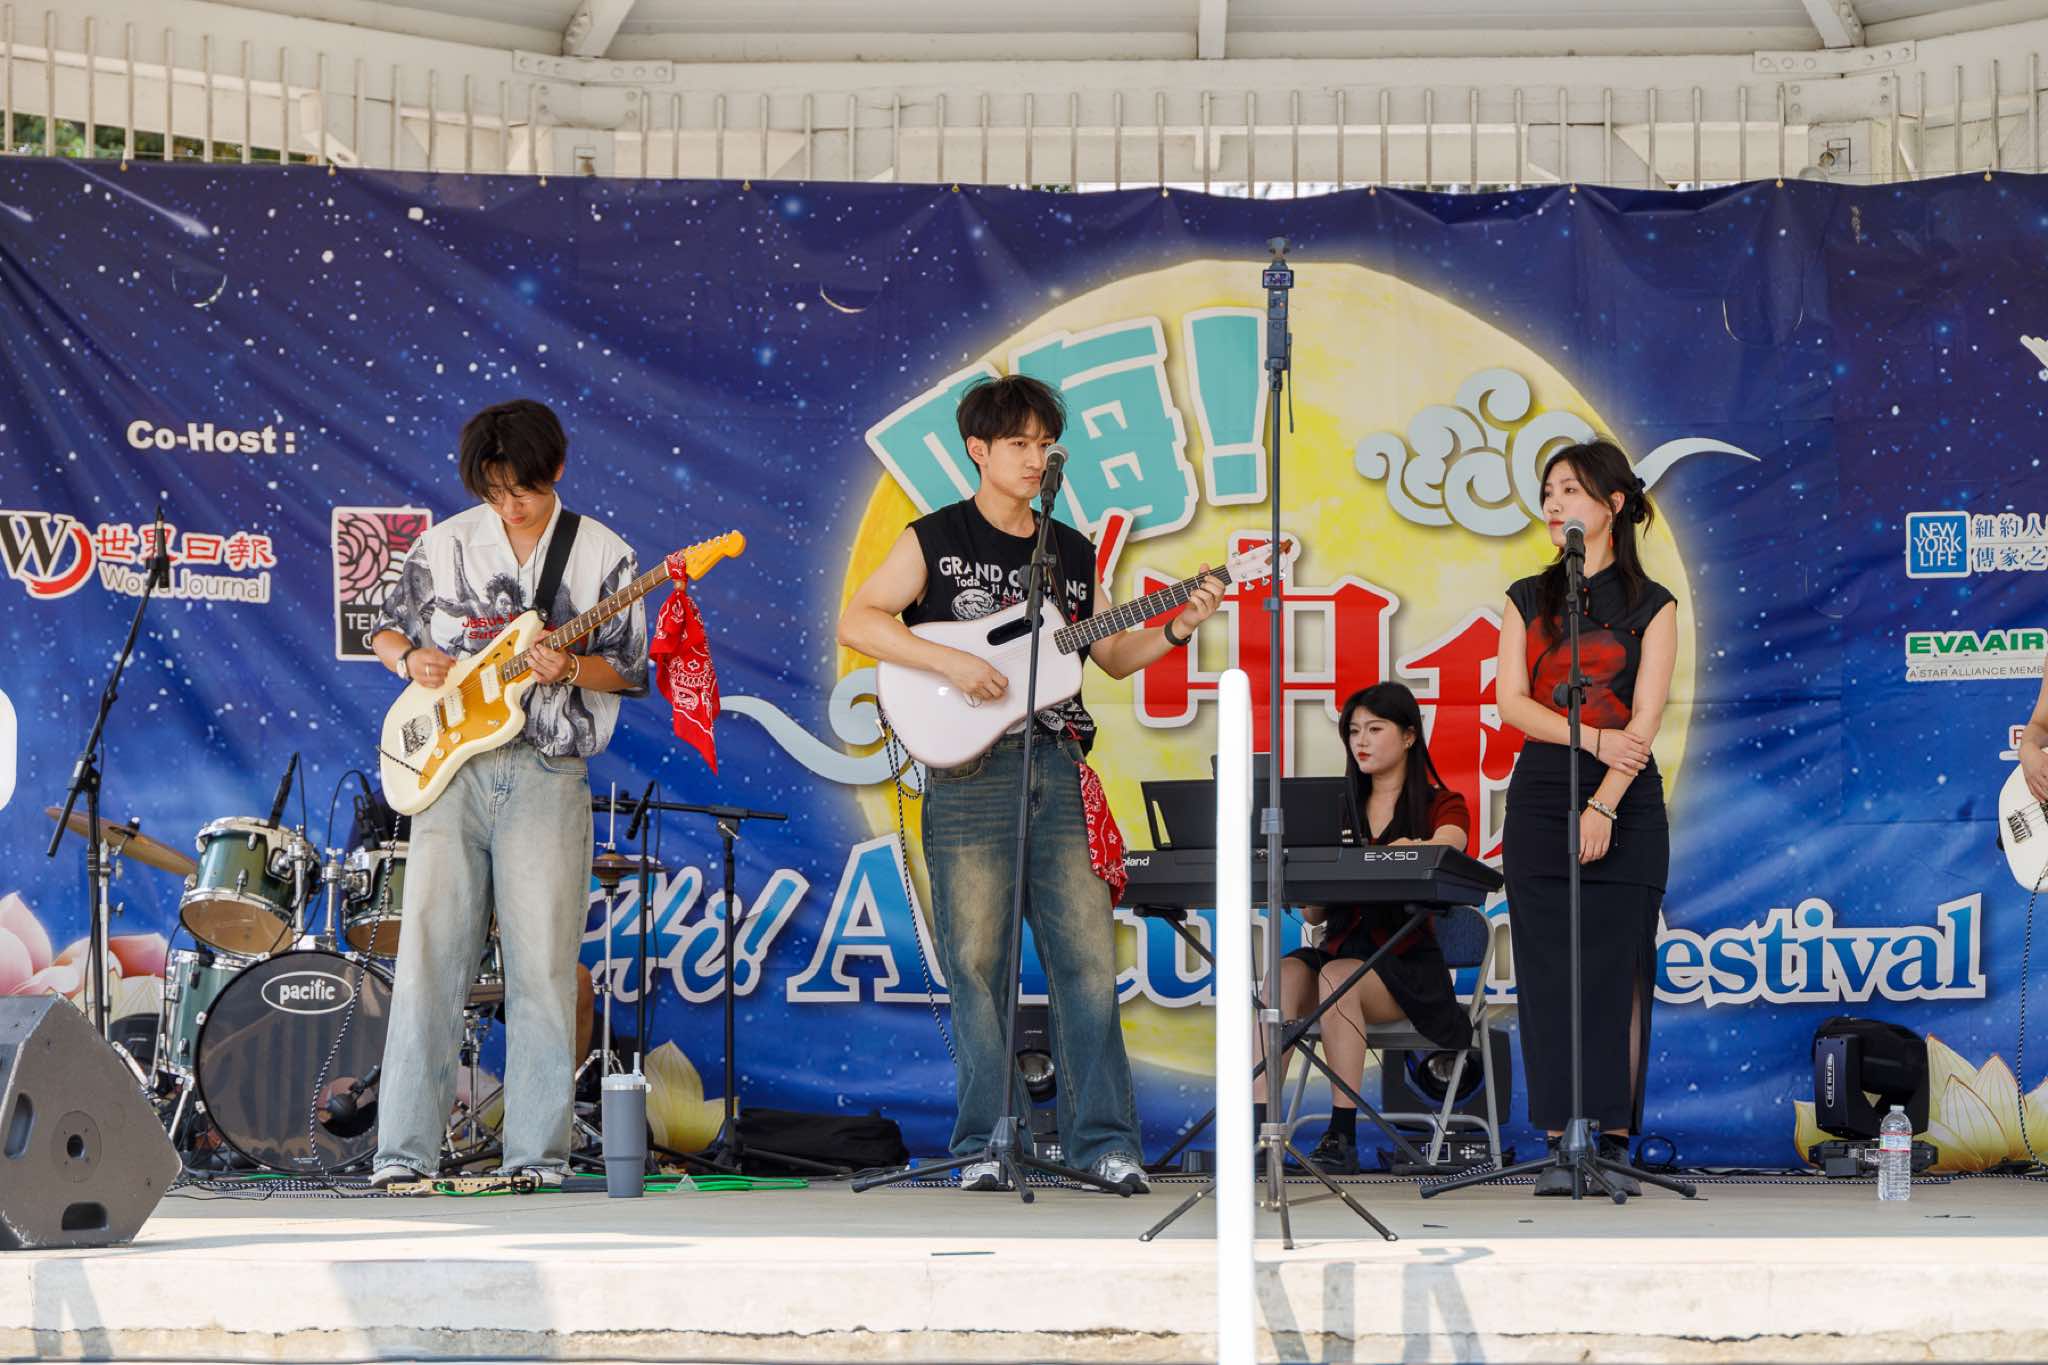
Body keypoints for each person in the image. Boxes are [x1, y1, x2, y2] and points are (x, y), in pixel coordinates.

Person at [837, 373, 1222, 1194]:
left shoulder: (1071, 549)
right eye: (1018, 443)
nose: (1034, 457)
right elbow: (860, 619)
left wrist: (1179, 624)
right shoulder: (935, 537)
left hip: (1057, 761)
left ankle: (1103, 1142)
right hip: (969, 770)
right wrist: (952, 662)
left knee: (1086, 959)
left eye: (1044, 444)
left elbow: (1109, 654)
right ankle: (985, 1140)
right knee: (976, 963)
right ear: (977, 450)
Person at [366, 398, 648, 1188]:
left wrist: (572, 667)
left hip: (548, 770)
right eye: (494, 491)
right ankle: (402, 1154)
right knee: (429, 960)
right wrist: (409, 660)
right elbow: (384, 629)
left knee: (544, 968)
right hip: (449, 772)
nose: (510, 505)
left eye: (522, 488)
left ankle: (536, 1156)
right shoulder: (444, 543)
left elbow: (631, 670)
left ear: (554, 469)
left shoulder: (603, 553)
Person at [1494, 438, 1676, 1196]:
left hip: (1626, 799)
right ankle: (1556, 1136)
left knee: (1617, 969)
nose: (1554, 503)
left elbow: (1646, 719)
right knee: (1547, 971)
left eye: (1569, 489)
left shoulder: (1652, 605)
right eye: (1548, 492)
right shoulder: (1526, 598)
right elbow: (1511, 703)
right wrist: (1590, 740)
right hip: (1541, 793)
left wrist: (1603, 800)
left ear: (1613, 504)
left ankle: (1614, 1138)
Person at [1250, 682, 1473, 1175]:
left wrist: (1408, 849)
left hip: (1405, 968)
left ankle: (1341, 1136)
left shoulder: (1441, 803)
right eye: (1353, 732)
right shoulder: (1337, 806)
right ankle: (1259, 1132)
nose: (1361, 742)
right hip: (1341, 953)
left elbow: (1449, 844)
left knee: (1337, 977)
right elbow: (1314, 917)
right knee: (1281, 977)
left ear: (1409, 736)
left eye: (1375, 729)